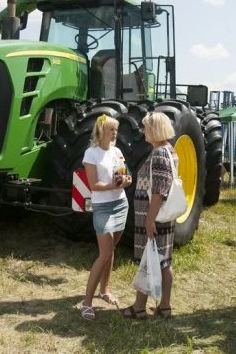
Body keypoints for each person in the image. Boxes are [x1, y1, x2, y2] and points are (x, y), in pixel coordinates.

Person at [121, 111, 177, 320]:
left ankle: (138, 308)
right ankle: (164, 306)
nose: (143, 131)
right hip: (162, 216)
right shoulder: (169, 150)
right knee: (163, 260)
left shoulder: (160, 153)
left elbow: (159, 191)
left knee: (148, 260)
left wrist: (149, 219)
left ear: (153, 129)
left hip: (154, 216)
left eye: (145, 127)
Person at [79, 114, 132, 321]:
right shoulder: (91, 154)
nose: (115, 133)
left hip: (121, 204)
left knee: (111, 251)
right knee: (104, 254)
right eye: (111, 129)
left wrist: (126, 180)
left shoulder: (117, 151)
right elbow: (93, 185)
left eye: (116, 130)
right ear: (101, 131)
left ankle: (105, 291)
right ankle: (86, 303)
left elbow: (125, 175)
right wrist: (113, 185)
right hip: (103, 207)